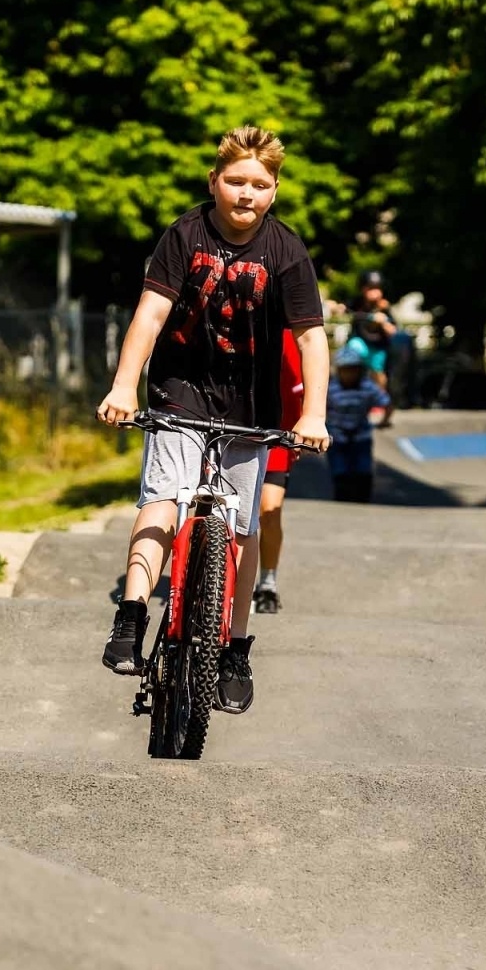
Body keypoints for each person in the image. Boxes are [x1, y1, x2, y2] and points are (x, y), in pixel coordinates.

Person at [96, 125, 331, 715]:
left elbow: (312, 337)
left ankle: (235, 649)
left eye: (260, 184)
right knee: (164, 497)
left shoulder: (287, 252)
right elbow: (150, 316)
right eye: (235, 182)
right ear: (214, 182)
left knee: (243, 529)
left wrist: (314, 414)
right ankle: (131, 615)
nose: (246, 194)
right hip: (181, 389)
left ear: (274, 191)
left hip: (252, 401)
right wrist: (125, 386)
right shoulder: (185, 234)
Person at [253, 327, 305, 615]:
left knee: (269, 510)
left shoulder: (286, 333)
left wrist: (300, 429)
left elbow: (297, 389)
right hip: (234, 427)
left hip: (275, 433)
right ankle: (222, 582)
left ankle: (268, 584)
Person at [327, 344, 389, 503]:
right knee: (340, 470)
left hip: (360, 435)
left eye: (353, 369)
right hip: (337, 436)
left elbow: (386, 403)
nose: (350, 374)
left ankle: (363, 496)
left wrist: (385, 420)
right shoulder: (331, 388)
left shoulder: (367, 387)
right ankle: (342, 495)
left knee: (363, 469)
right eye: (346, 370)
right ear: (338, 371)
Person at [346, 271, 397, 426]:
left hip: (377, 348)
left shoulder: (384, 307)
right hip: (361, 343)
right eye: (371, 289)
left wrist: (383, 322)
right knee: (352, 350)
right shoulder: (357, 303)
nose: (375, 293)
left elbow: (393, 330)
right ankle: (351, 387)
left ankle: (379, 401)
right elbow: (343, 309)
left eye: (377, 289)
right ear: (363, 289)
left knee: (378, 372)